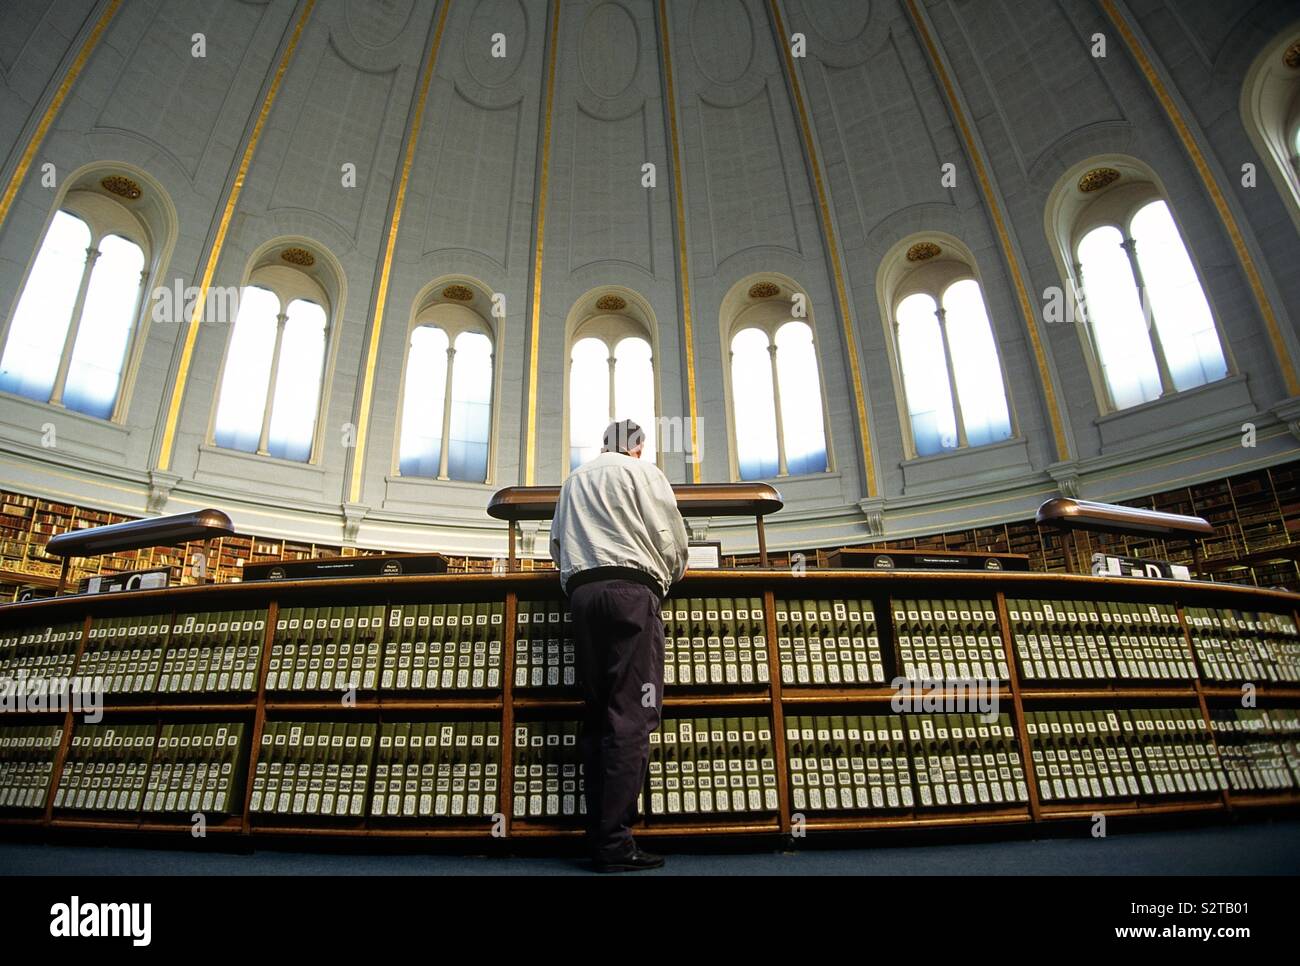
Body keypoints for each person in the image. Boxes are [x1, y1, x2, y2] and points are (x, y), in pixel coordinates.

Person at [550, 418, 689, 872]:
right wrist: (669, 577)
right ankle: (614, 844)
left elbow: (556, 545)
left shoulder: (575, 478)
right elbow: (671, 539)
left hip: (584, 596)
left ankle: (600, 834)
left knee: (597, 712)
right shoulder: (645, 474)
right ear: (639, 447)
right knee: (632, 715)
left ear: (604, 445)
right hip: (632, 592)